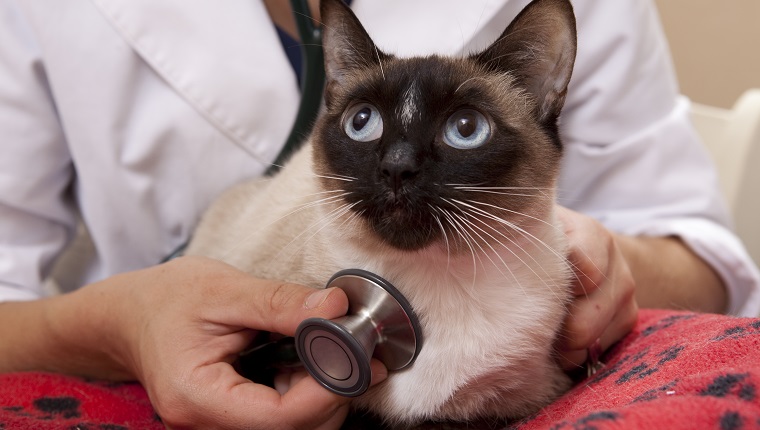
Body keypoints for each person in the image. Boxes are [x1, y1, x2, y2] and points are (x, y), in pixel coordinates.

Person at [0, 0, 758, 428]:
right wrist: (115, 327)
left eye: (463, 130)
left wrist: (607, 258)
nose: (397, 166)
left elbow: (703, 252)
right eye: (362, 126)